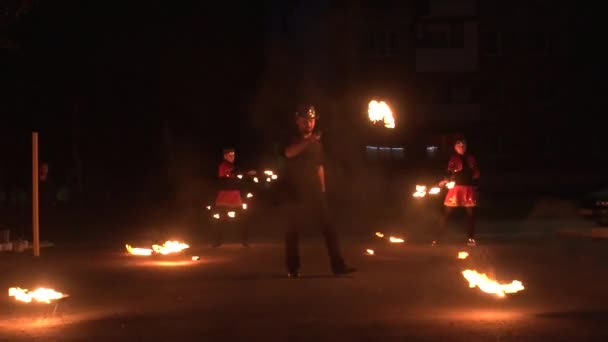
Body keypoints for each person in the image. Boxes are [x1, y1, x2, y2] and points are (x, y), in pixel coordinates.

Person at [282, 105, 356, 278]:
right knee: (292, 231)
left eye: (312, 120)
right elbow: (289, 153)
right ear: (297, 121)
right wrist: (309, 141)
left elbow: (319, 167)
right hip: (294, 192)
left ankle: (338, 265)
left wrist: (322, 189)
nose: (309, 123)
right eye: (305, 120)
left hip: (314, 191)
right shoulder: (292, 138)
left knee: (329, 228)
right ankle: (293, 268)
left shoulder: (317, 143)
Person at [435, 136, 480, 247]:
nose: (462, 147)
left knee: (471, 214)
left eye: (463, 145)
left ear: (466, 146)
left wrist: (473, 178)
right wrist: (445, 181)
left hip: (468, 188)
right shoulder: (453, 159)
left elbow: (476, 173)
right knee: (447, 213)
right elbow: (449, 172)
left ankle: (471, 238)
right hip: (456, 189)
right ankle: (437, 237)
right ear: (455, 147)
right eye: (459, 145)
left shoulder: (471, 158)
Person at [211, 147, 254, 247]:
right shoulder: (223, 166)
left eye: (233, 155)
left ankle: (244, 241)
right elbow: (231, 174)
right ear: (225, 156)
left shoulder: (234, 166)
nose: (232, 157)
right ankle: (217, 241)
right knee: (220, 219)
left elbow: (237, 175)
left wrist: (246, 174)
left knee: (242, 218)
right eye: (230, 155)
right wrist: (244, 173)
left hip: (235, 195)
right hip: (225, 196)